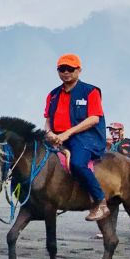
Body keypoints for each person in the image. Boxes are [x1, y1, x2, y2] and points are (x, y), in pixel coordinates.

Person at [44, 53, 109, 222]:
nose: (66, 72)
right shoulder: (53, 95)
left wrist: (67, 133)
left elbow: (94, 118)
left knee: (77, 163)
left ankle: (101, 202)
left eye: (70, 69)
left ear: (79, 70)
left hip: (86, 138)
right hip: (58, 137)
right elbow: (47, 120)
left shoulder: (90, 91)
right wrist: (49, 133)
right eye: (62, 69)